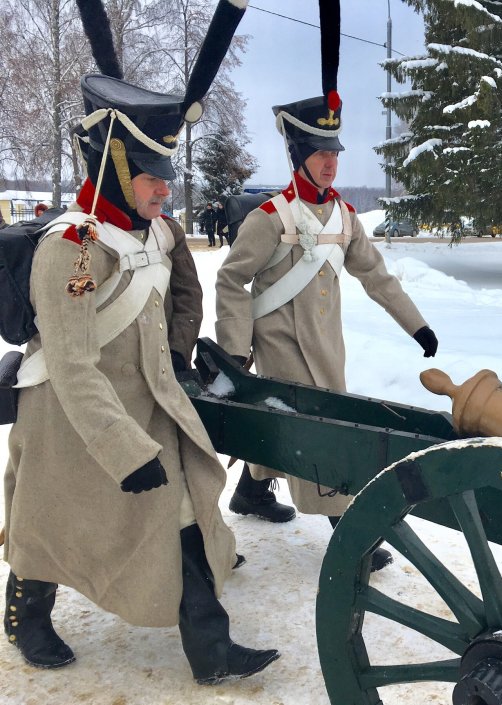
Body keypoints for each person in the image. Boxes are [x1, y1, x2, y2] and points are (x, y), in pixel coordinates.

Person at [3, 0, 279, 684]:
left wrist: (176, 359)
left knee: (182, 512)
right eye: (154, 175)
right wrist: (123, 450)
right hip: (72, 419)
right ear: (117, 170)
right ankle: (25, 610)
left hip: (147, 401)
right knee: (48, 523)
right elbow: (69, 363)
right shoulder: (71, 247)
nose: (166, 187)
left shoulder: (157, 231)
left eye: (167, 173)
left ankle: (209, 648)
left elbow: (180, 298)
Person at [214, 0, 437, 573]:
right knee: (318, 439)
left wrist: (417, 324)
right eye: (320, 152)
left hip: (326, 342)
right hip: (282, 343)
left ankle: (253, 490)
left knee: (284, 427)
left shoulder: (342, 217)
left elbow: (375, 274)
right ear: (297, 154)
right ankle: (349, 532)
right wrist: (236, 348)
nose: (332, 163)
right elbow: (233, 279)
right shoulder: (269, 218)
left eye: (335, 152)